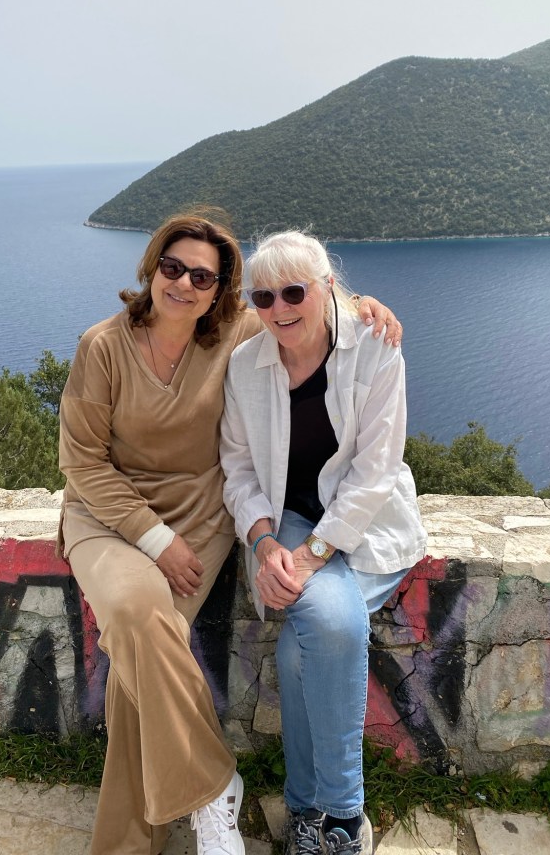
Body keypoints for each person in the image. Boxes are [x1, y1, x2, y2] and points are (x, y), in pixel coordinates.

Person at [57, 211, 403, 855]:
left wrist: (362, 305)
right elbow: (81, 463)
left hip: (199, 515)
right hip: (109, 516)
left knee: (139, 667)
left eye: (203, 276)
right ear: (152, 267)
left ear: (220, 291)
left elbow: (304, 303)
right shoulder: (102, 346)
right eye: (172, 267)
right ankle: (214, 786)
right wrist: (158, 539)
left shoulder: (237, 332)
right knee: (136, 618)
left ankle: (133, 841)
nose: (184, 283)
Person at [220, 230, 427, 855]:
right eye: (263, 297)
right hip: (286, 519)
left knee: (308, 644)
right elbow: (239, 470)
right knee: (327, 628)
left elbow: (375, 471)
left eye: (294, 292)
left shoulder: (375, 347)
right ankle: (330, 816)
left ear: (327, 287)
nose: (279, 308)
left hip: (367, 524)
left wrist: (313, 556)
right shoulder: (245, 366)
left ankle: (327, 811)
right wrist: (263, 544)